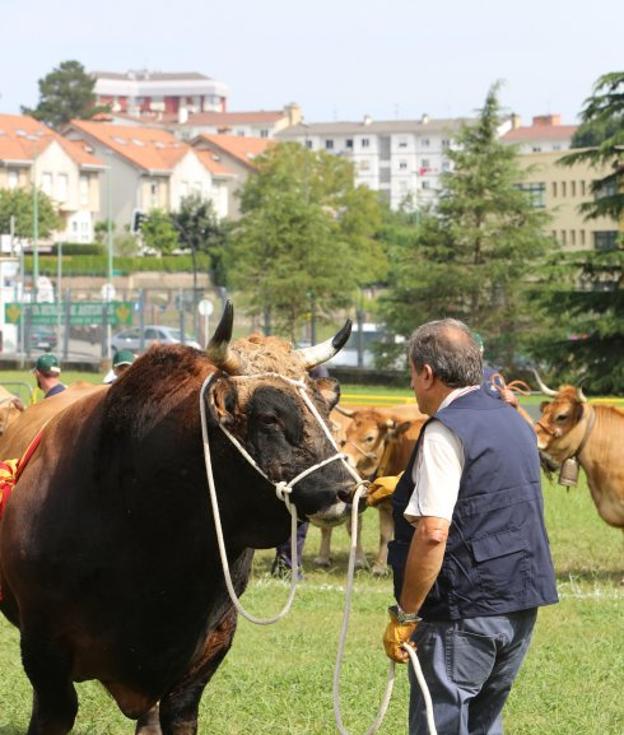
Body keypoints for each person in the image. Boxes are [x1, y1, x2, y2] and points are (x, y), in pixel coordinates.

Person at [382, 318, 558, 735]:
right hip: (519, 603)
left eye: (412, 375)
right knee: (483, 724)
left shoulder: (445, 431)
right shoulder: (515, 419)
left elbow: (433, 532)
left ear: (428, 373)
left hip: (462, 611)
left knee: (440, 724)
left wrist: (406, 613)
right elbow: (487, 490)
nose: (412, 386)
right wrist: (408, 484)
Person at [270, 363, 330, 579]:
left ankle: (288, 564)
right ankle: (286, 563)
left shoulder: (315, 375)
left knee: (298, 512)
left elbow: (326, 398)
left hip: (304, 456)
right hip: (280, 448)